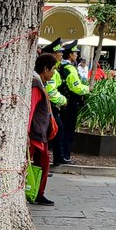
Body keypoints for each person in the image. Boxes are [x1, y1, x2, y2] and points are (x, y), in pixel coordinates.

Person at [28, 53, 58, 206]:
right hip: (35, 134)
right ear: (45, 69)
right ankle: (36, 192)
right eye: (53, 69)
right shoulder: (36, 86)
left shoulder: (39, 83)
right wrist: (27, 134)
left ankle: (38, 192)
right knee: (39, 163)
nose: (54, 73)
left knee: (43, 162)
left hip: (40, 132)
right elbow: (31, 110)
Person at [55, 43, 90, 164]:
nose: (77, 55)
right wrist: (87, 89)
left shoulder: (60, 66)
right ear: (70, 55)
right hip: (71, 102)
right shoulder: (70, 68)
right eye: (75, 53)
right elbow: (76, 87)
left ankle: (60, 156)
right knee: (68, 130)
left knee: (62, 129)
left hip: (63, 101)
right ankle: (65, 156)